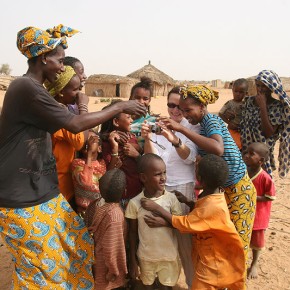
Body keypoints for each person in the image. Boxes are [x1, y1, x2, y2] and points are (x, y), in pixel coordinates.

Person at [0, 24, 146, 289]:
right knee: (42, 270)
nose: (60, 65)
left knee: (78, 249)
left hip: (44, 194)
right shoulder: (25, 88)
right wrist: (120, 107)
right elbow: (77, 125)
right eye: (58, 59)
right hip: (21, 200)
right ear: (44, 58)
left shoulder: (38, 92)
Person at [159, 85, 256, 263]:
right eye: (182, 110)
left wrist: (181, 129)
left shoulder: (211, 121)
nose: (185, 114)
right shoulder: (202, 126)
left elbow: (218, 149)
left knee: (237, 243)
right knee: (224, 239)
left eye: (188, 110)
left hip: (239, 189)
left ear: (202, 107)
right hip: (226, 189)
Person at [142, 154, 246, 290]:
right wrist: (189, 202)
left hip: (214, 265)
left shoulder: (212, 206)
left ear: (200, 179)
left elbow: (186, 223)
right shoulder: (215, 196)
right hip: (216, 257)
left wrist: (158, 209)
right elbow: (202, 216)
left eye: (196, 169)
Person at [141, 86, 199, 289]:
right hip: (160, 188)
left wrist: (174, 139)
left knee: (184, 240)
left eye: (179, 106)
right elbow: (151, 157)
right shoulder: (159, 125)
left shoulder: (191, 128)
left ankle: (191, 283)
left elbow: (190, 157)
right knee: (162, 238)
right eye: (170, 105)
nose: (174, 110)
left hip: (182, 187)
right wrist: (148, 138)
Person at [125, 153, 182, 290]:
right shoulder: (134, 203)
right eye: (157, 174)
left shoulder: (171, 199)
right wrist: (133, 260)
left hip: (169, 257)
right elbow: (132, 233)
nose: (163, 178)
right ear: (143, 177)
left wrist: (164, 222)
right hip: (146, 258)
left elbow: (180, 225)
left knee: (165, 287)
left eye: (164, 173)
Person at [45, 65, 90, 207]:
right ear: (61, 92)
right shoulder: (60, 113)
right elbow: (80, 141)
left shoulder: (49, 107)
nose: (78, 94)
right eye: (75, 90)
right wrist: (83, 106)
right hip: (59, 185)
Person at [240, 70, 290, 178]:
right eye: (258, 85)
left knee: (261, 182)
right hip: (245, 150)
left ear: (271, 87)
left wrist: (263, 107)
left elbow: (268, 133)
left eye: (264, 86)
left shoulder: (277, 106)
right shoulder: (248, 101)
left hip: (260, 154)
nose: (260, 89)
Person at [86, 168, 128, 290]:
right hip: (105, 265)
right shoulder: (115, 215)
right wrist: (113, 270)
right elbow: (111, 248)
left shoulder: (95, 203)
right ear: (124, 191)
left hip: (94, 257)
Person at [100, 100, 143, 209]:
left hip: (136, 194)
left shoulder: (131, 137)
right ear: (116, 122)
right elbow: (108, 174)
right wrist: (114, 149)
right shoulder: (107, 143)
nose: (132, 120)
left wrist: (137, 151)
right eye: (128, 117)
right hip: (120, 198)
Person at [243, 142, 276, 279]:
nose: (246, 156)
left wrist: (252, 196)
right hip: (244, 213)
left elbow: (270, 196)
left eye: (251, 154)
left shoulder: (265, 178)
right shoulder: (243, 171)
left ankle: (254, 264)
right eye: (247, 152)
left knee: (256, 242)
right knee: (243, 237)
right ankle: (241, 261)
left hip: (258, 216)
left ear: (261, 161)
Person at [71, 132, 106, 215]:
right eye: (86, 139)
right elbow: (86, 183)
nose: (88, 142)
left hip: (99, 211)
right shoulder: (77, 163)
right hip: (84, 212)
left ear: (99, 149)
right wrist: (89, 153)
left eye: (92, 139)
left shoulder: (102, 163)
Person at [219, 78, 248, 149]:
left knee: (243, 147)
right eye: (236, 91)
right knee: (232, 146)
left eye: (241, 92)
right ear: (232, 91)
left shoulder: (247, 104)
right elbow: (221, 113)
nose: (238, 94)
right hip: (232, 129)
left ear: (246, 93)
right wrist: (229, 122)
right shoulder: (229, 103)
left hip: (244, 131)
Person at [129, 77, 158, 148]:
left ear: (149, 100)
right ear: (130, 98)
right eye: (137, 98)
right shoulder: (122, 119)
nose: (141, 102)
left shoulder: (152, 122)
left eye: (145, 99)